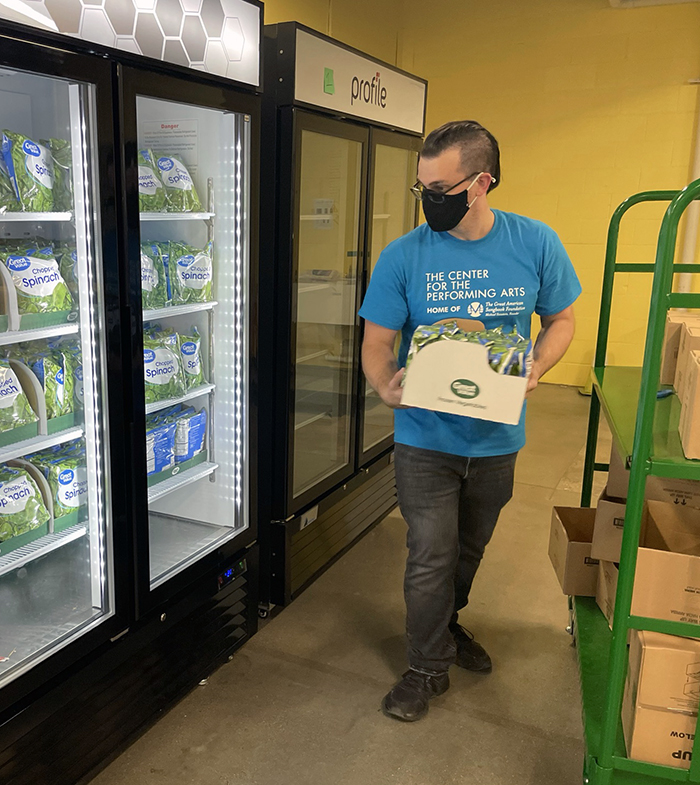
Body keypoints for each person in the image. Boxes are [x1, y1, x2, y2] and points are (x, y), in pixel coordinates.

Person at [358, 120, 581, 722]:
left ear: (481, 183)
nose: (429, 198)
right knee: (431, 550)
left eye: (440, 187)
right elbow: (377, 341)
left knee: (468, 549)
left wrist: (537, 364)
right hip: (425, 439)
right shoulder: (403, 256)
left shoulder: (535, 243)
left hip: (496, 439)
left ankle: (447, 625)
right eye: (421, 188)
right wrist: (385, 385)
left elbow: (561, 320)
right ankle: (425, 665)